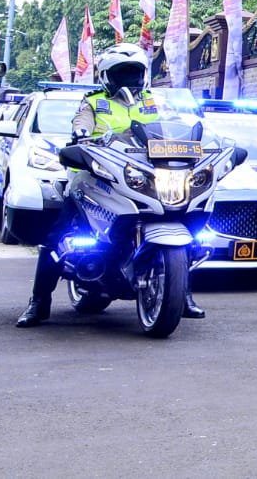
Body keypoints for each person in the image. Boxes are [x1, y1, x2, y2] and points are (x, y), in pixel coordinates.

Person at [17, 43, 204, 326]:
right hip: (95, 176)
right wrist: (81, 135)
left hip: (143, 177)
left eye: (134, 72)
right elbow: (81, 123)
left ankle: (182, 294)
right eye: (122, 73)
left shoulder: (155, 102)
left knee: (185, 224)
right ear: (107, 76)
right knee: (57, 238)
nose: (129, 78)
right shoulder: (93, 103)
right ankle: (39, 302)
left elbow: (174, 125)